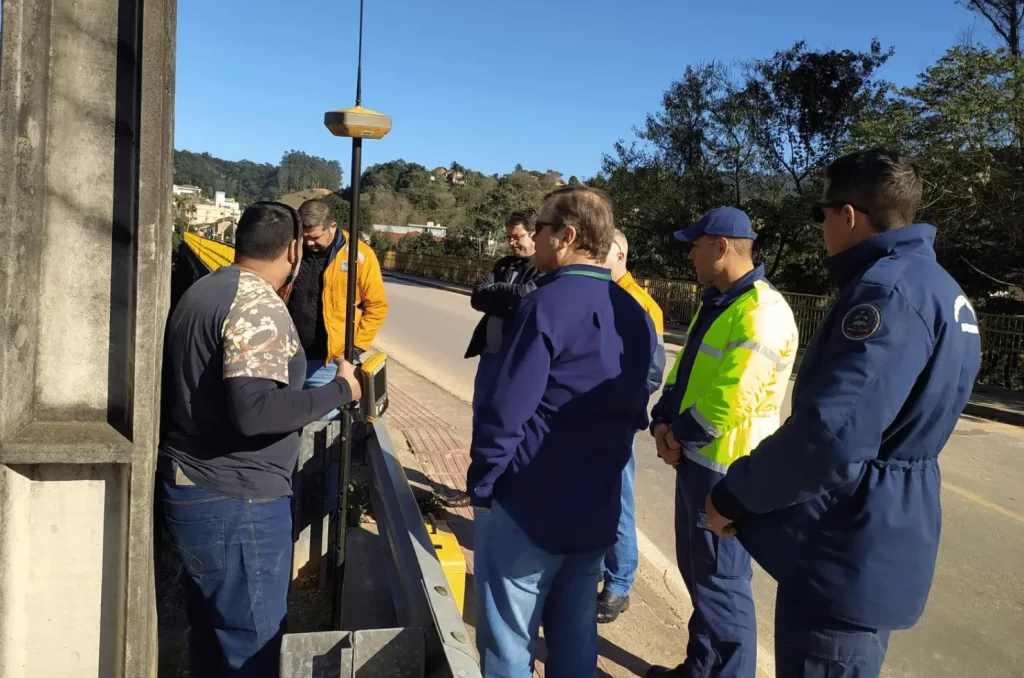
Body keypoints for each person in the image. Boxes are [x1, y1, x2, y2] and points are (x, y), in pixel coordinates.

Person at [705, 149, 982, 678]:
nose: (822, 226)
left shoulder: (887, 293)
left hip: (845, 542)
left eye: (821, 212)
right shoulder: (940, 289)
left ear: (847, 215)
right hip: (884, 532)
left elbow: (831, 435)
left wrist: (734, 495)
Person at [157, 201, 362, 677]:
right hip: (237, 498)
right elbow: (256, 411)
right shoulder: (258, 306)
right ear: (293, 248)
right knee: (251, 644)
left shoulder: (207, 289)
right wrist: (340, 389)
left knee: (213, 632)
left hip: (195, 480)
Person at [467, 186, 658, 677]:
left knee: (510, 640)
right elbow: (637, 406)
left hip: (531, 503)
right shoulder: (634, 314)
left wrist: (484, 482)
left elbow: (506, 413)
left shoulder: (545, 306)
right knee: (575, 635)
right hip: (595, 504)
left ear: (568, 236)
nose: (535, 236)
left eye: (542, 228)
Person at [645, 207, 799, 678]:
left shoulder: (762, 311)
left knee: (722, 584)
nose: (690, 254)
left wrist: (677, 435)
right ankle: (700, 668)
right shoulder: (720, 302)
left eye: (696, 244)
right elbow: (684, 373)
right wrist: (661, 422)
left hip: (728, 469)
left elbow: (735, 397)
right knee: (701, 580)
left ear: (722, 246)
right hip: (696, 460)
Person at [444, 208, 541, 508]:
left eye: (518, 236)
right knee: (482, 422)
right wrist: (506, 294)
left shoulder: (544, 268)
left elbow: (530, 298)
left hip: (517, 363)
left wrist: (499, 293)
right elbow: (477, 296)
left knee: (510, 428)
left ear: (536, 234)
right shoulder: (505, 264)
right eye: (509, 237)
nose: (512, 242)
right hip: (490, 357)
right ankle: (476, 489)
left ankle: (507, 493)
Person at [597, 228, 666, 623]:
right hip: (593, 419)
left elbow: (651, 372)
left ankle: (619, 583)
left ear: (620, 255)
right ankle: (599, 570)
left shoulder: (641, 305)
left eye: (600, 252)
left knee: (617, 499)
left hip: (617, 419)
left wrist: (624, 407)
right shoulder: (599, 295)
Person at [286, 198, 387, 419]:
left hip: (329, 363)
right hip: (288, 358)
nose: (309, 243)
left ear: (332, 227)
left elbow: (377, 306)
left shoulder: (358, 256)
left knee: (324, 424)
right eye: (305, 237)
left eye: (315, 237)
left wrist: (354, 349)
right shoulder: (292, 249)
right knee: (285, 421)